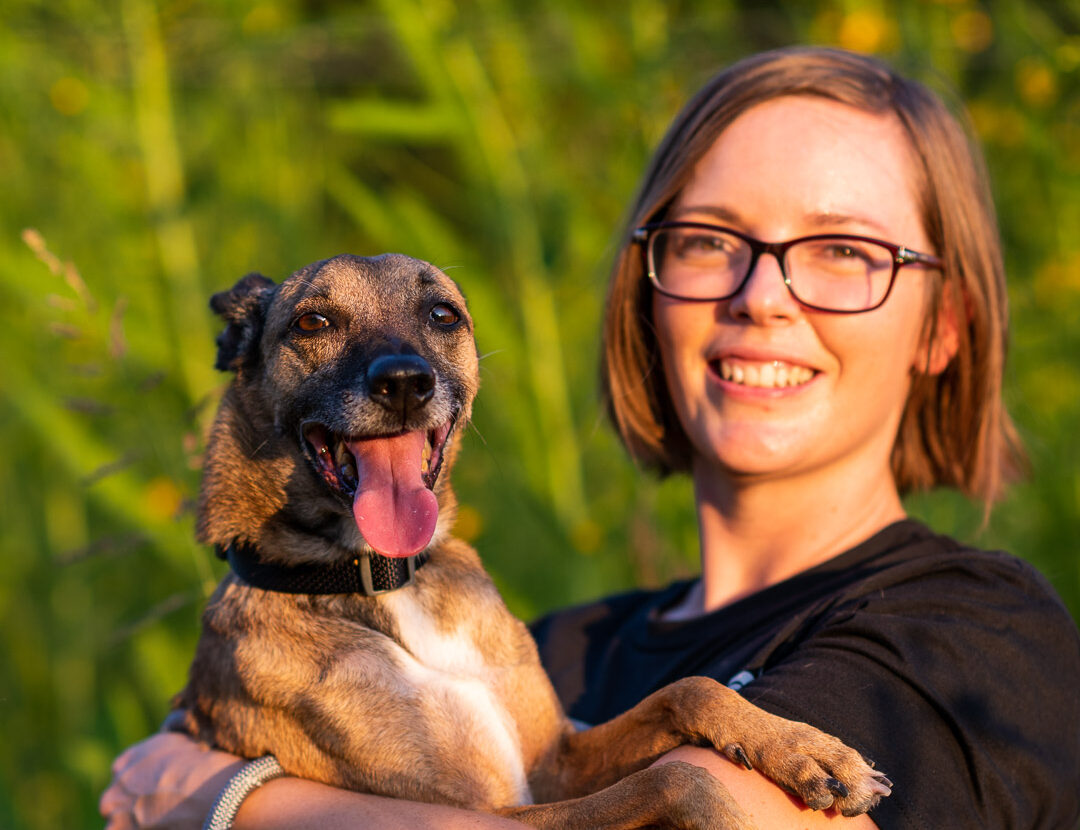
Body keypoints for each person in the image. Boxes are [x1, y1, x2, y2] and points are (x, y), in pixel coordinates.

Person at [100, 46, 1080, 829]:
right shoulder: (559, 641)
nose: (761, 298)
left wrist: (227, 802)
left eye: (843, 250)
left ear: (945, 326)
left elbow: (713, 815)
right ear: (646, 291)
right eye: (710, 241)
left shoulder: (978, 629)